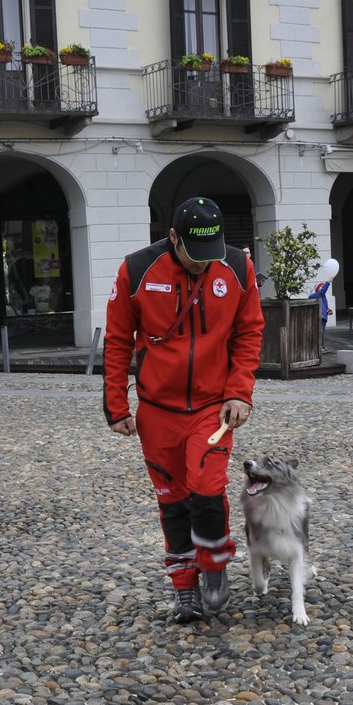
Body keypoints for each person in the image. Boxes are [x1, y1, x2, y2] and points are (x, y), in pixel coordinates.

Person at [103, 197, 265, 623]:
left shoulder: (235, 267)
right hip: (157, 409)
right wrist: (116, 405)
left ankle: (214, 567)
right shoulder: (136, 270)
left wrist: (240, 392)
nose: (202, 265)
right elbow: (118, 340)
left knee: (207, 488)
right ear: (174, 237)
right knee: (172, 500)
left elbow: (249, 331)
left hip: (213, 407)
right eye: (194, 256)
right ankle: (184, 589)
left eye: (209, 255)